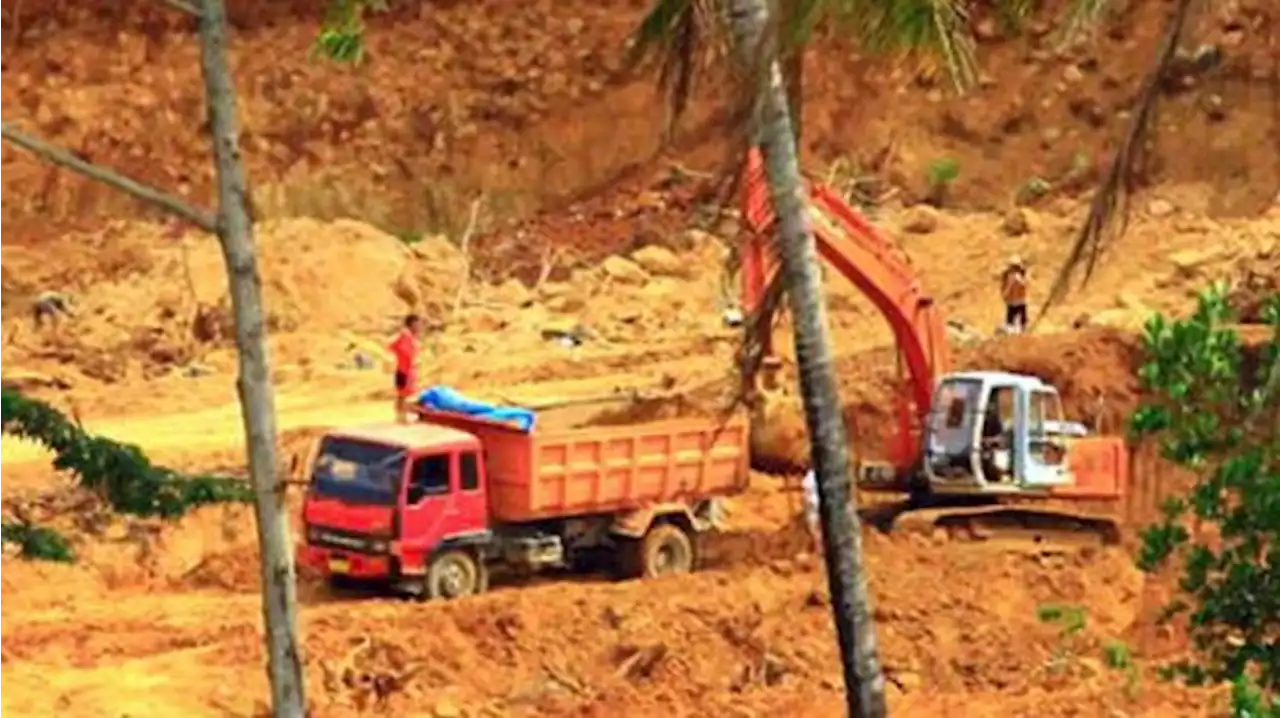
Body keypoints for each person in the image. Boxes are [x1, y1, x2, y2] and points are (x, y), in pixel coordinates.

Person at [388, 314, 422, 423]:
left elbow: (393, 346)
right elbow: (397, 348)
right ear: (412, 324)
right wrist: (407, 359)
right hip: (404, 370)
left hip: (406, 369)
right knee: (403, 394)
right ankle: (401, 416)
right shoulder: (406, 336)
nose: (419, 326)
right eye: (417, 324)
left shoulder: (410, 336)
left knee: (403, 394)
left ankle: (401, 416)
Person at [1000, 256, 1029, 334]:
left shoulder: (1013, 276)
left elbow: (1009, 288)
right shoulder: (1016, 276)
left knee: (1012, 324)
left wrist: (1005, 295)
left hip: (1015, 302)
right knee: (1018, 324)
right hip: (1018, 302)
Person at [800, 468, 821, 555]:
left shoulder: (810, 478)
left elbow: (807, 493)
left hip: (812, 504)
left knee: (812, 527)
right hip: (814, 503)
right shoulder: (815, 476)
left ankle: (817, 547)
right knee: (814, 527)